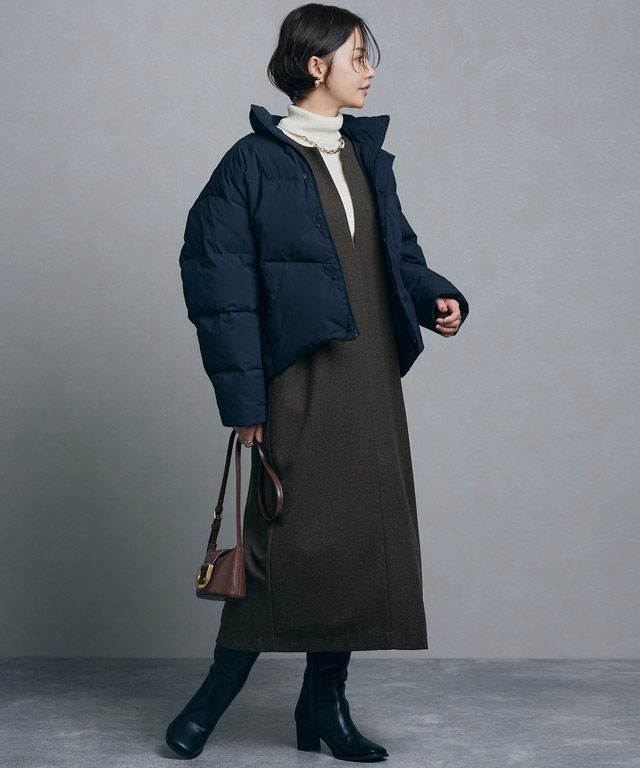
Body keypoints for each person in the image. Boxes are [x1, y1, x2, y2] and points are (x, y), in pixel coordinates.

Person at [166, 3, 469, 762]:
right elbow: (219, 287)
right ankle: (213, 698)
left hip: (369, 379)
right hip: (297, 381)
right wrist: (245, 402)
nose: (368, 71)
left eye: (368, 58)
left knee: (360, 540)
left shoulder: (366, 155)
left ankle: (324, 706)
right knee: (281, 540)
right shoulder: (251, 163)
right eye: (357, 56)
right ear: (315, 65)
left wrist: (435, 295)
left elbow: (396, 253)